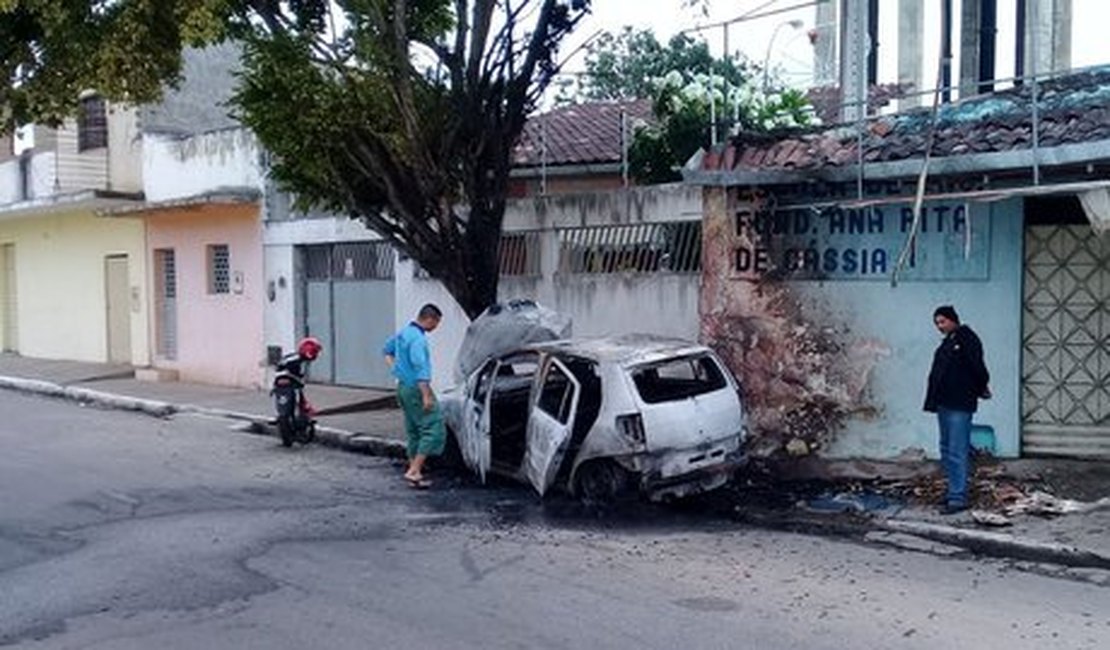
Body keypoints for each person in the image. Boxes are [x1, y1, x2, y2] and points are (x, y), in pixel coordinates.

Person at [924, 305, 991, 515]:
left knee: (956, 450)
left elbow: (978, 367)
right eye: (937, 323)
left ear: (953, 320)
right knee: (946, 449)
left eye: (942, 321)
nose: (939, 326)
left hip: (959, 403)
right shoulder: (950, 340)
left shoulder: (967, 339)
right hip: (944, 403)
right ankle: (953, 491)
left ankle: (958, 497)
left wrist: (981, 387)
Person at [383, 304, 445, 489]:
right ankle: (414, 470)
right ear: (429, 319)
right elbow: (421, 368)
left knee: (413, 429)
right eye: (436, 323)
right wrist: (426, 395)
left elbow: (386, 350)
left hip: (403, 387)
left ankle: (413, 469)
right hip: (417, 388)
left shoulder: (403, 333)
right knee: (433, 427)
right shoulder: (418, 340)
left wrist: (396, 369)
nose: (436, 327)